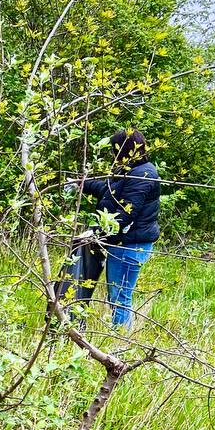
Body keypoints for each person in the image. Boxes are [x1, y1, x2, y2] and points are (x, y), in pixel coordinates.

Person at [64, 129, 161, 329]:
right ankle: (120, 340)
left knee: (120, 297)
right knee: (117, 295)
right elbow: (109, 192)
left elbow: (125, 215)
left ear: (123, 149)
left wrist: (95, 233)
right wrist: (81, 183)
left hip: (130, 246)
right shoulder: (131, 170)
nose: (111, 154)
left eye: (114, 149)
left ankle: (121, 344)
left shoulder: (143, 175)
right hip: (124, 243)